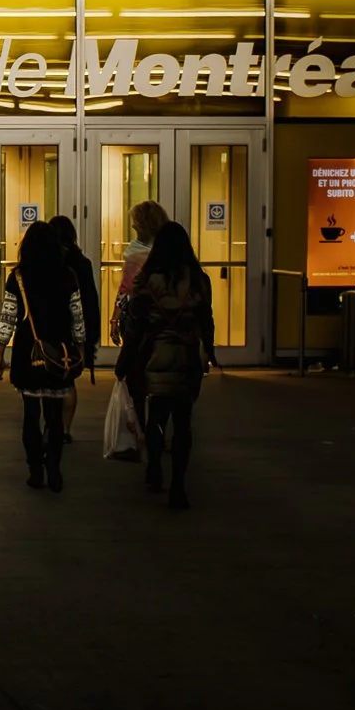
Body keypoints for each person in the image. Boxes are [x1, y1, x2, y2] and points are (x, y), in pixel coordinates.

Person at [114, 221, 218, 511]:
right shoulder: (198, 280)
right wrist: (208, 351)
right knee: (183, 423)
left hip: (154, 356)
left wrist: (125, 359)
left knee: (156, 416)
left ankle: (155, 466)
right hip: (186, 358)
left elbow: (135, 324)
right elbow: (206, 321)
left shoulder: (146, 280)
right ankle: (179, 485)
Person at [0, 220, 85, 493]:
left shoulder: (18, 277)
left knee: (31, 414)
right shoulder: (68, 275)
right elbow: (77, 317)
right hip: (59, 353)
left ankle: (35, 469)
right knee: (54, 416)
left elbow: (7, 318)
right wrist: (79, 348)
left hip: (28, 353)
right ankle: (54, 468)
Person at [49, 215, 101, 444]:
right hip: (74, 329)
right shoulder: (82, 262)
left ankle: (52, 425)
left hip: (52, 327)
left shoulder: (47, 262)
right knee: (68, 381)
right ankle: (66, 429)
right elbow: (90, 299)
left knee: (49, 379)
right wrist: (89, 335)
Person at [112, 199, 169, 344]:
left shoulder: (135, 255)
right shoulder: (170, 251)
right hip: (166, 319)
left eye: (136, 222)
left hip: (140, 317)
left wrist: (114, 320)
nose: (133, 226)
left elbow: (125, 290)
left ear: (145, 226)